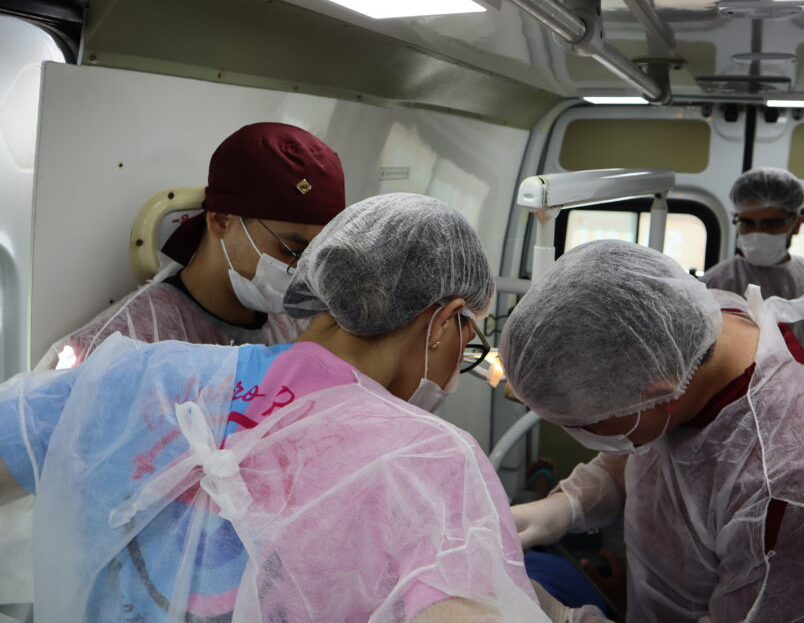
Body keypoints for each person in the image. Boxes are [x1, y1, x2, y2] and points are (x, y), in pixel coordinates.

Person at [0, 193, 606, 622]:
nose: (460, 362)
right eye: (469, 340)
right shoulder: (429, 461)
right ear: (444, 321)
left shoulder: (140, 376)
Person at [501, 240, 804, 622]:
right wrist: (566, 505)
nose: (581, 434)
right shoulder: (692, 333)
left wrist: (565, 619)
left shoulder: (795, 487)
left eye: (583, 425)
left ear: (659, 393)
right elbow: (651, 450)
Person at [36, 121, 347, 370]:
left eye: (317, 255)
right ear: (221, 221)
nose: (304, 274)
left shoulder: (303, 325)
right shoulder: (126, 342)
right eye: (293, 252)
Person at [701, 167, 804, 367]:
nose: (757, 233)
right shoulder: (713, 284)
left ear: (797, 224)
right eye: (747, 223)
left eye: (771, 224)